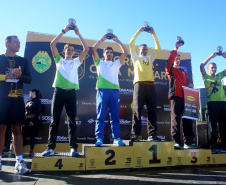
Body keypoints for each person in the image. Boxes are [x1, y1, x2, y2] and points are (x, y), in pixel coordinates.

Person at [42, 23, 89, 156]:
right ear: (64, 51)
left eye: (72, 50)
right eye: (68, 49)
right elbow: (52, 44)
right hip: (59, 91)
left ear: (74, 52)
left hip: (71, 93)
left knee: (72, 121)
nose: (70, 51)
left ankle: (73, 148)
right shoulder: (59, 60)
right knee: (54, 121)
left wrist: (78, 34)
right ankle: (50, 148)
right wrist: (64, 30)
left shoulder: (76, 62)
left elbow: (86, 49)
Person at [0, 35, 31, 174]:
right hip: (2, 99)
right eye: (16, 42)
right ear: (6, 43)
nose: (18, 44)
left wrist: (20, 76)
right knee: (1, 129)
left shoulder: (23, 61)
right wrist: (5, 77)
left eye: (19, 42)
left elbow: (29, 79)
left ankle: (19, 161)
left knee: (17, 129)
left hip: (17, 99)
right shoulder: (0, 58)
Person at [92, 33, 128, 146]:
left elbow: (126, 52)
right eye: (107, 52)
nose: (109, 54)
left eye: (111, 52)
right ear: (103, 54)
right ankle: (99, 138)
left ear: (113, 54)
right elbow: (93, 49)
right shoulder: (99, 62)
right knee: (100, 116)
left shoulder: (116, 63)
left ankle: (117, 138)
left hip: (114, 91)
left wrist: (118, 41)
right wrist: (102, 39)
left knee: (115, 116)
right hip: (102, 91)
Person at [130, 26, 161, 142]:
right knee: (137, 110)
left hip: (150, 85)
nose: (144, 50)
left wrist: (153, 34)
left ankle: (152, 135)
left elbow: (158, 48)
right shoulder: (135, 58)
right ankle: (135, 135)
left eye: (146, 49)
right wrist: (140, 31)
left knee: (152, 110)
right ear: (138, 50)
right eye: (142, 49)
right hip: (139, 85)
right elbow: (131, 43)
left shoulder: (150, 58)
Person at [166, 41, 198, 149]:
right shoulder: (170, 70)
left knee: (187, 120)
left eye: (179, 59)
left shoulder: (183, 72)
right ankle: (176, 141)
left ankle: (188, 142)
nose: (177, 60)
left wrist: (190, 84)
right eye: (176, 59)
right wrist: (175, 48)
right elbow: (169, 61)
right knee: (176, 119)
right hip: (175, 96)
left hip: (186, 98)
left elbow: (187, 83)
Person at [200, 51, 226, 153]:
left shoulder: (219, 76)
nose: (214, 69)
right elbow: (201, 65)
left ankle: (224, 146)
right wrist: (211, 56)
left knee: (224, 126)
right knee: (212, 126)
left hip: (223, 103)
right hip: (212, 104)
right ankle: (213, 146)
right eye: (212, 67)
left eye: (215, 67)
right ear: (208, 69)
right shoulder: (205, 77)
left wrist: (225, 57)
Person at [22, 89, 41, 157]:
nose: (29, 94)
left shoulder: (37, 101)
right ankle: (19, 150)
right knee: (22, 135)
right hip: (25, 121)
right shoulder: (28, 101)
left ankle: (31, 150)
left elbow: (38, 113)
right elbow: (24, 112)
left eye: (30, 92)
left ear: (34, 92)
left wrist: (32, 121)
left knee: (32, 136)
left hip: (33, 121)